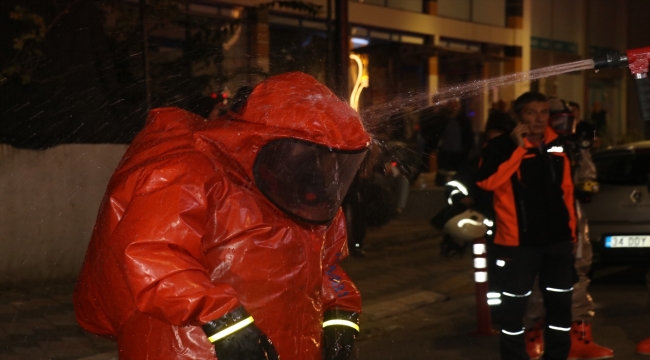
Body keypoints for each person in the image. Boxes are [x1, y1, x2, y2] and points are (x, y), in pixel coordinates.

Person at [73, 72, 370, 360]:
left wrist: (339, 318)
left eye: (330, 159)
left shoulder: (304, 194)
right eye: (312, 154)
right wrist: (226, 324)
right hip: (187, 348)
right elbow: (152, 255)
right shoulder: (189, 169)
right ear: (270, 141)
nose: (321, 168)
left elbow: (325, 265)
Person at [477, 92, 578, 360]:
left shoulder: (558, 144)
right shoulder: (499, 146)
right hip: (517, 244)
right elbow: (487, 182)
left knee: (560, 309)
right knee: (513, 311)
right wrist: (518, 148)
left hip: (557, 242)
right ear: (518, 116)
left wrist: (572, 235)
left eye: (543, 112)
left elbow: (567, 192)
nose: (538, 118)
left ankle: (557, 356)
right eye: (531, 113)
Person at [522, 99, 613, 360]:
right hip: (538, 222)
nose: (564, 125)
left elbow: (586, 180)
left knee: (578, 274)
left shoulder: (570, 146)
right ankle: (533, 336)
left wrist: (584, 164)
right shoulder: (526, 144)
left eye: (567, 119)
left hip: (572, 219)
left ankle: (579, 337)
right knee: (537, 280)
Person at [435, 98, 475, 186]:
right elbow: (438, 134)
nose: (454, 107)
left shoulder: (463, 121)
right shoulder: (444, 120)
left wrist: (466, 150)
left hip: (459, 152)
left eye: (455, 105)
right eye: (452, 105)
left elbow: (468, 137)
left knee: (458, 175)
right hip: (446, 152)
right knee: (444, 173)